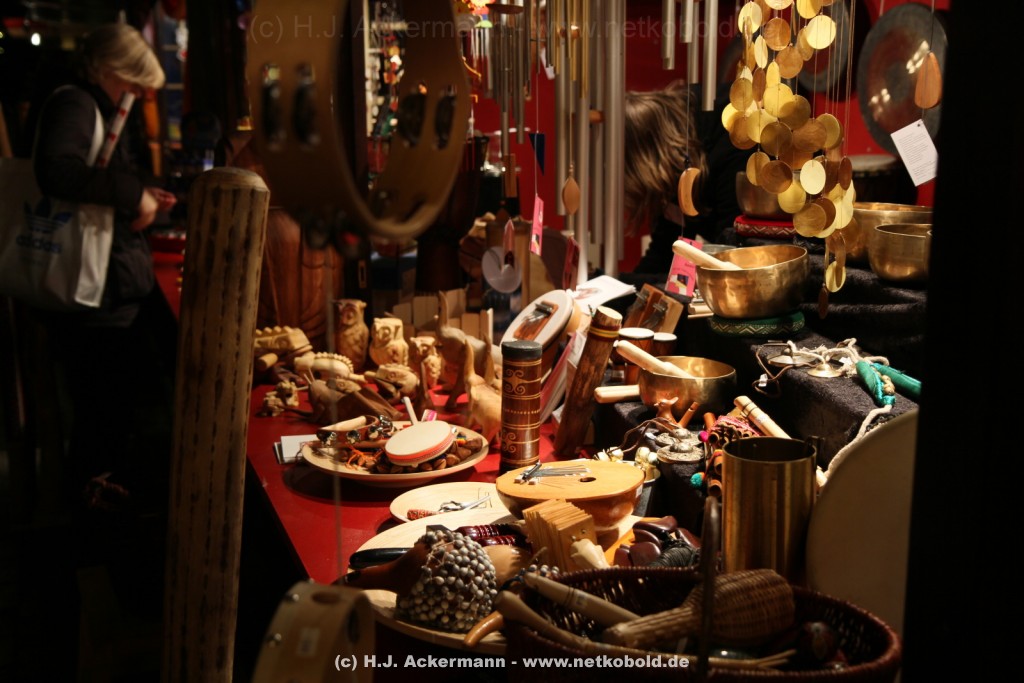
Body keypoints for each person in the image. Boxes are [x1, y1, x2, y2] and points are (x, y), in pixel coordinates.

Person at [27, 23, 176, 512]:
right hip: (92, 294)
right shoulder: (77, 103)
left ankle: (98, 501)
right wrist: (134, 195)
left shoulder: (87, 103)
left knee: (109, 409)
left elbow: (94, 179)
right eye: (133, 83)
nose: (136, 95)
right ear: (111, 70)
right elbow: (58, 171)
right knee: (103, 412)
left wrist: (142, 195)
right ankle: (94, 511)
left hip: (105, 285)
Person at [623, 81, 752, 277]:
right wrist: (618, 285)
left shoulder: (732, 144)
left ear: (642, 157)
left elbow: (731, 256)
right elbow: (666, 251)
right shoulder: (673, 168)